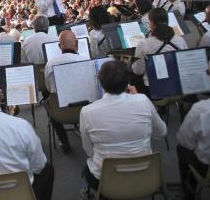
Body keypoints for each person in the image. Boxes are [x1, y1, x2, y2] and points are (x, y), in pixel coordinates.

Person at [80, 61, 167, 191]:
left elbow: (88, 150)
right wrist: (137, 98)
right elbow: (162, 132)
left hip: (106, 181)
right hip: (146, 175)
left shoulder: (87, 111)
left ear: (100, 83)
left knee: (88, 169)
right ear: (128, 83)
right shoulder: (142, 100)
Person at [44, 30, 89, 153]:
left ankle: (63, 141)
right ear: (77, 44)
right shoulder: (86, 61)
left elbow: (49, 89)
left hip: (60, 113)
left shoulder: (50, 64)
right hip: (84, 109)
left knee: (49, 102)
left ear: (59, 46)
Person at [131, 8, 188, 90]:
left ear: (152, 23)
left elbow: (138, 71)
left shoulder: (144, 44)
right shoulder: (180, 40)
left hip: (154, 87)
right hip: (177, 84)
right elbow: (185, 61)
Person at [176, 97, 210, 200]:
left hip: (205, 167)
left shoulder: (201, 108)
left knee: (181, 149)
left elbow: (184, 141)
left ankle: (189, 195)